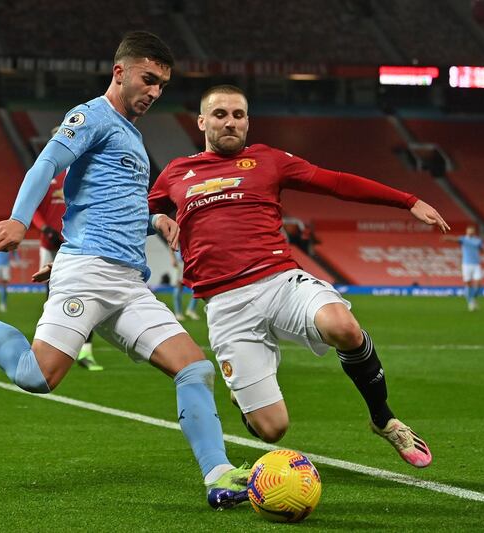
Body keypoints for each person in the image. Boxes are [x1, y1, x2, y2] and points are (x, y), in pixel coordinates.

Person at [0, 32, 249, 509]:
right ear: (119, 72)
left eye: (163, 85)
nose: (154, 92)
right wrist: (20, 220)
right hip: (88, 274)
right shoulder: (91, 117)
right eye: (148, 79)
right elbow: (46, 164)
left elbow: (107, 206)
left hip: (127, 281)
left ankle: (219, 476)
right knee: (35, 377)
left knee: (194, 368)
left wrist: (152, 220)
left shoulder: (133, 136)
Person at [148, 84, 451, 468]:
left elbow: (336, 182)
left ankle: (383, 418)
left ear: (247, 123)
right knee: (272, 430)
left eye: (238, 115)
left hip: (280, 281)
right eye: (220, 114)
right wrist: (156, 217)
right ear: (202, 121)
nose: (230, 122)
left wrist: (408, 200)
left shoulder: (268, 160)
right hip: (225, 306)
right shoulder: (176, 171)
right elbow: (137, 211)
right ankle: (245, 398)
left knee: (343, 326)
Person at [32, 150, 102, 371]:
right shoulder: (48, 174)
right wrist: (45, 229)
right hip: (49, 243)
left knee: (86, 290)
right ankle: (48, 345)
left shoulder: (85, 173)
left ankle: (86, 351)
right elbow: (33, 207)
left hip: (76, 243)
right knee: (52, 293)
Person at [442, 225, 484, 311]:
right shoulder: (463, 239)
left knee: (478, 284)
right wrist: (447, 238)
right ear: (467, 231)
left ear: (474, 231)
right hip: (466, 264)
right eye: (469, 230)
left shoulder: (478, 241)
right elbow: (454, 239)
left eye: (472, 230)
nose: (470, 232)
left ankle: (472, 298)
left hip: (476, 264)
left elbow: (482, 249)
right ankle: (470, 302)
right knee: (468, 284)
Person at [170, 248, 199, 321]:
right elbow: (171, 244)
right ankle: (178, 313)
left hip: (191, 261)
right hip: (180, 262)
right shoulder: (177, 236)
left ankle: (191, 309)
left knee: (197, 286)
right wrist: (173, 258)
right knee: (179, 286)